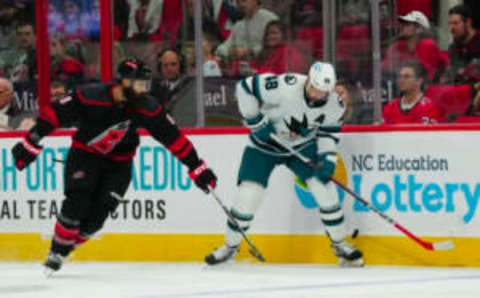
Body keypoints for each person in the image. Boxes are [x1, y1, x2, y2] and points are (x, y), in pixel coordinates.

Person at [11, 58, 217, 276]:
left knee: (98, 217)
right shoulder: (90, 95)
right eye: (138, 84)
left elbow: (173, 138)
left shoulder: (147, 107)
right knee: (78, 201)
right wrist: (32, 139)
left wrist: (197, 166)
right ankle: (56, 251)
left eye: (145, 85)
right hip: (85, 156)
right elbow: (54, 114)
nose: (142, 89)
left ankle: (64, 250)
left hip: (119, 164)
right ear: (123, 82)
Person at [205, 62, 364, 267]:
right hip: (264, 145)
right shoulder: (285, 86)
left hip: (301, 148)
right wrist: (255, 121)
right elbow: (245, 88)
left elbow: (327, 132)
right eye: (316, 89)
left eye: (324, 92)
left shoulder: (335, 104)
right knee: (248, 194)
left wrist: (327, 158)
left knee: (325, 190)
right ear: (308, 81)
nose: (318, 96)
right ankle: (230, 247)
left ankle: (340, 245)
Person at [381, 10, 448, 83]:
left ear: (419, 29)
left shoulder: (427, 46)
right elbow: (383, 70)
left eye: (407, 24)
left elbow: (426, 79)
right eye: (403, 23)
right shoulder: (395, 47)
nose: (402, 26)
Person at [443, 4, 480, 84]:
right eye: (450, 23)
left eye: (456, 23)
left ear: (468, 23)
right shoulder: (453, 48)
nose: (451, 28)